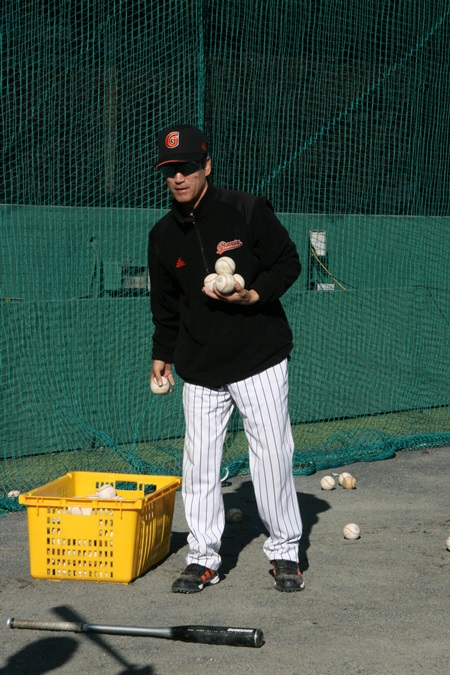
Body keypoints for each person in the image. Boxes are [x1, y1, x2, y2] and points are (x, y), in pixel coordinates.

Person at [148, 124, 304, 593]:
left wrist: (256, 293)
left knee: (272, 455)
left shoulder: (247, 210)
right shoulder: (161, 235)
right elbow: (167, 306)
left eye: (188, 168)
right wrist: (162, 354)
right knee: (198, 462)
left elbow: (288, 262)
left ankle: (284, 551)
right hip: (200, 365)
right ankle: (203, 557)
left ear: (207, 166)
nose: (179, 178)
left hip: (258, 356)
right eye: (171, 170)